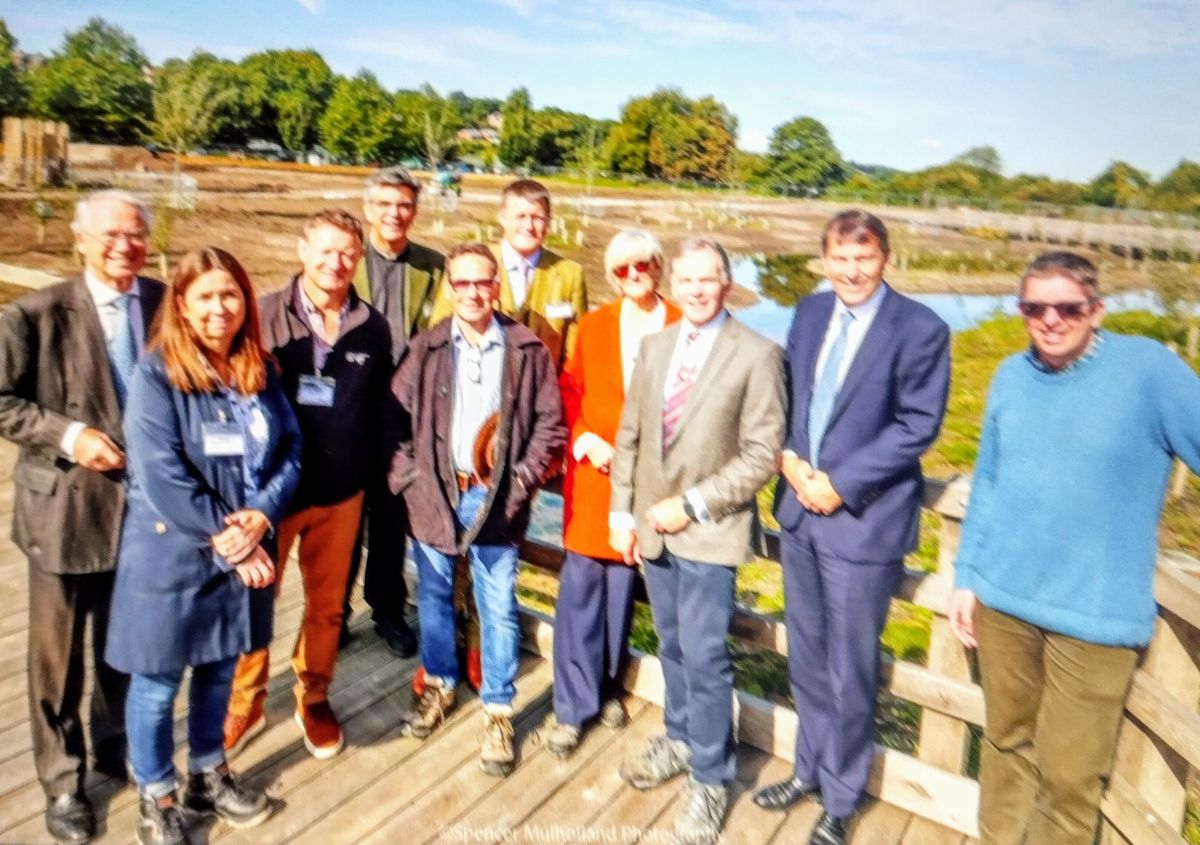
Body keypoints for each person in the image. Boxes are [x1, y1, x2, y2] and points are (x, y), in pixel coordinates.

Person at [948, 251, 1200, 845]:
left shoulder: (1148, 372)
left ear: (1096, 310)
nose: (1051, 320)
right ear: (1021, 310)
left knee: (1068, 782)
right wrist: (966, 574)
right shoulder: (1010, 374)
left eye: (1068, 307)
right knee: (1006, 746)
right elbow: (987, 481)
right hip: (1004, 602)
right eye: (1035, 306)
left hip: (1094, 622)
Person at [753, 209, 950, 845]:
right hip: (799, 514)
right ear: (825, 260)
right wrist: (787, 456)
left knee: (850, 666)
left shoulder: (921, 328)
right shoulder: (810, 313)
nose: (851, 271)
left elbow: (917, 425)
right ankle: (807, 768)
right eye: (840, 258)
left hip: (861, 525)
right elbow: (790, 397)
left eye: (863, 259)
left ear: (885, 258)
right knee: (806, 655)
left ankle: (842, 795)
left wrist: (839, 484)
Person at [106, 248, 302, 845]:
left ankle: (207, 773)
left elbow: (290, 451)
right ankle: (157, 794)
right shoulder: (158, 374)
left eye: (232, 295)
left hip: (242, 549)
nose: (221, 308)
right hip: (176, 557)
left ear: (246, 301)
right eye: (207, 297)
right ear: (183, 307)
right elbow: (161, 476)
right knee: (159, 683)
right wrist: (236, 541)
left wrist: (262, 514)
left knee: (220, 673)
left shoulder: (258, 369)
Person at [0, 190, 165, 844]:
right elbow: (3, 400)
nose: (125, 246)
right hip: (66, 511)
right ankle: (63, 779)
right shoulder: (35, 314)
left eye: (136, 235)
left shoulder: (160, 301)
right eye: (111, 235)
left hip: (143, 512)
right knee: (57, 658)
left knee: (123, 644)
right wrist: (70, 436)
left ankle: (114, 744)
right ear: (79, 237)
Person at [609, 237, 786, 845]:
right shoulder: (657, 346)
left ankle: (711, 778)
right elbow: (630, 433)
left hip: (710, 531)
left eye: (707, 279)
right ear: (673, 284)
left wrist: (692, 504)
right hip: (654, 531)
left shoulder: (758, 354)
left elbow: (762, 453)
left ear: (727, 282)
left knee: (707, 656)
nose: (696, 290)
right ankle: (681, 739)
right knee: (672, 643)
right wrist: (622, 515)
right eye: (685, 280)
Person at [389, 242, 565, 777]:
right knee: (436, 596)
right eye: (461, 283)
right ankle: (440, 684)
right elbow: (394, 416)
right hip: (434, 495)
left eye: (482, 282)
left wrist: (521, 481)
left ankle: (497, 708)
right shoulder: (427, 347)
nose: (472, 292)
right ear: (449, 286)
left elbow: (549, 426)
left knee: (498, 603)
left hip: (496, 499)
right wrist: (408, 477)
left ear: (497, 286)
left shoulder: (526, 348)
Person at [225, 209, 392, 760]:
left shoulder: (373, 325)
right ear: (302, 250)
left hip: (343, 493)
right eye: (324, 249)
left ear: (359, 258)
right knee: (256, 601)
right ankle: (244, 701)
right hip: (273, 495)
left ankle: (314, 693)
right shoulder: (263, 315)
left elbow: (378, 407)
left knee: (327, 607)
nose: (335, 262)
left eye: (347, 252)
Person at [421, 177, 587, 695]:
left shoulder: (569, 274)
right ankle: (449, 652)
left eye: (538, 217)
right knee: (454, 550)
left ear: (548, 220)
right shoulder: (474, 268)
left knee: (500, 547)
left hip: (524, 437)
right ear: (502, 218)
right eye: (520, 216)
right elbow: (439, 342)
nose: (529, 225)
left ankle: (482, 654)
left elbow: (572, 359)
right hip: (467, 431)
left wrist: (552, 443)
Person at [546, 229, 681, 758]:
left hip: (651, 482)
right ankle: (570, 708)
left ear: (659, 267)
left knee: (621, 590)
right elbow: (569, 390)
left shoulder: (679, 323)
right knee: (580, 587)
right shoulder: (596, 325)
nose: (634, 276)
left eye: (643, 265)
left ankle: (605, 689)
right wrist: (582, 438)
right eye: (622, 269)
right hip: (596, 475)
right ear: (611, 275)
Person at [342, 166, 445, 656]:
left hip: (403, 413)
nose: (394, 214)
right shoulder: (344, 259)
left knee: (389, 515)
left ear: (415, 211)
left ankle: (386, 607)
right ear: (368, 209)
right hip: (347, 410)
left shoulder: (434, 266)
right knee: (342, 513)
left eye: (403, 204)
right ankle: (332, 612)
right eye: (384, 204)